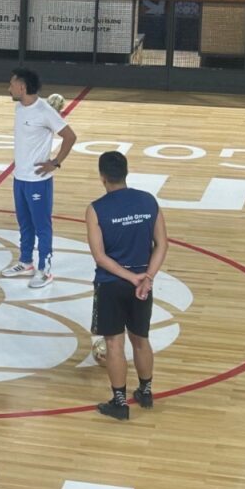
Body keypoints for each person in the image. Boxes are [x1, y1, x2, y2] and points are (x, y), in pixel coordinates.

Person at [85, 152, 168, 420]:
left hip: (111, 284)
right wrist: (147, 277)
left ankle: (119, 402)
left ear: (102, 177)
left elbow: (100, 256)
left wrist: (130, 277)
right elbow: (162, 244)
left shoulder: (96, 209)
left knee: (114, 344)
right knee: (141, 340)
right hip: (142, 285)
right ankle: (145, 392)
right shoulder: (148, 201)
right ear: (126, 172)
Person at [0, 67, 77, 289]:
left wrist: (55, 162)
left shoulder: (45, 111)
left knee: (41, 226)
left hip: (38, 181)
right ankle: (26, 262)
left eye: (12, 84)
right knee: (24, 223)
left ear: (22, 87)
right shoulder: (19, 107)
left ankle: (45, 270)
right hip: (20, 178)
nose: (9, 88)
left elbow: (70, 137)